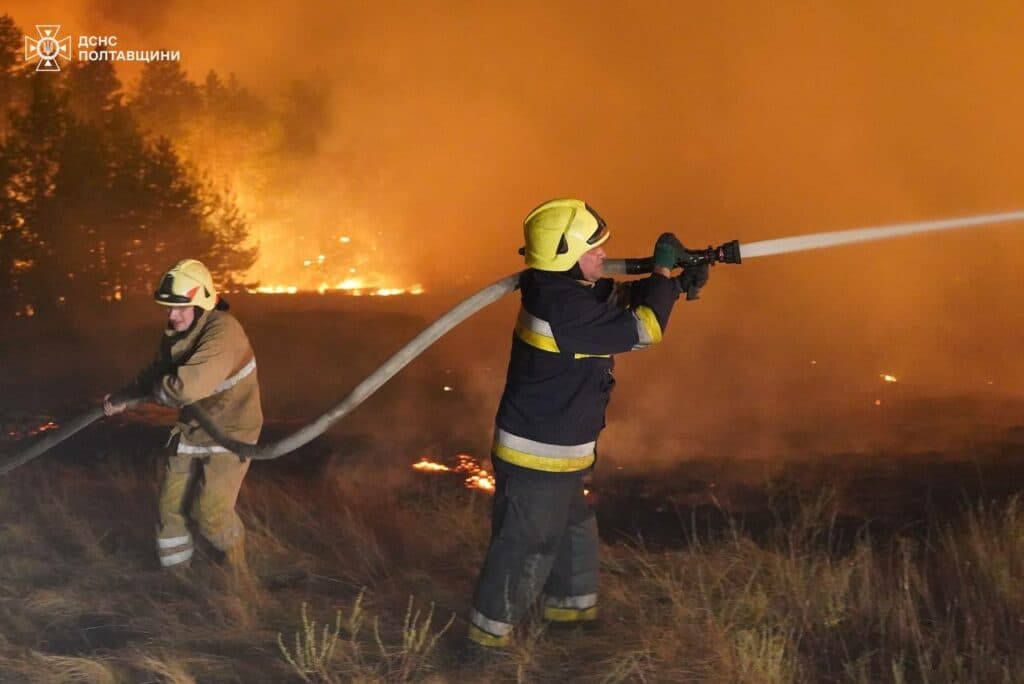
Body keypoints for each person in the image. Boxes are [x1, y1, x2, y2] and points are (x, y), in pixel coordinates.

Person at [467, 198, 709, 648]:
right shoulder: (564, 312)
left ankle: (569, 616)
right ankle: (484, 643)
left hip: (562, 449)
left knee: (574, 530)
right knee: (527, 547)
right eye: (594, 248)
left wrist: (672, 286)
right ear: (566, 254)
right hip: (537, 456)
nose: (603, 255)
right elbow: (642, 330)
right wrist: (660, 273)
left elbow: (612, 302)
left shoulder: (561, 290)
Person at [103, 259, 263, 571]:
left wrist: (152, 394)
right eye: (168, 308)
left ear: (202, 302)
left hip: (230, 433)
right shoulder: (179, 331)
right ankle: (176, 583)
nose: (171, 316)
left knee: (210, 513)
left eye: (179, 308)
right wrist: (124, 398)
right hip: (193, 429)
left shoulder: (223, 333)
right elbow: (156, 373)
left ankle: (239, 577)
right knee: (169, 511)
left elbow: (183, 388)